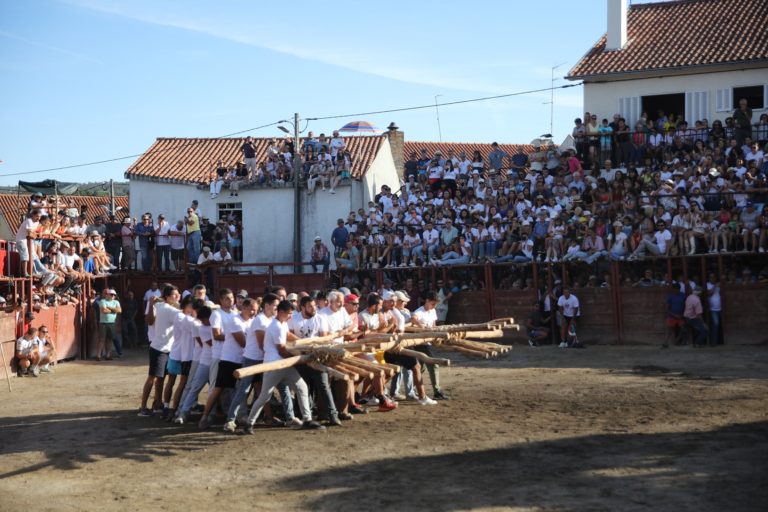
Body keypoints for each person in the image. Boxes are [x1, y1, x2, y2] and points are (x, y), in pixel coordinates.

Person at [243, 300, 326, 433]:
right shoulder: (275, 326)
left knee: (302, 387)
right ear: (281, 312)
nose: (290, 316)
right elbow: (281, 349)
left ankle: (307, 419)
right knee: (265, 396)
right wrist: (300, 357)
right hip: (274, 366)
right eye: (289, 313)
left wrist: (303, 342)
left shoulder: (283, 323)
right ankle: (249, 424)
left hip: (285, 365)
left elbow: (288, 335)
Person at [201, 297, 253, 430]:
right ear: (245, 308)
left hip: (241, 359)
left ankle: (240, 416)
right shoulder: (234, 320)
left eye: (256, 310)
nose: (254, 312)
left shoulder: (251, 321)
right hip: (229, 360)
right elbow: (243, 343)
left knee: (240, 390)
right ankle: (205, 416)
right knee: (218, 389)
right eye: (252, 309)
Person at [139, 284, 180, 416]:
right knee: (153, 377)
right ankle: (143, 407)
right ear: (166, 296)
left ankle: (158, 403)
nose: (177, 296)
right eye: (175, 294)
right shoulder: (163, 307)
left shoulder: (164, 306)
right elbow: (149, 321)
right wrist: (151, 304)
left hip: (167, 347)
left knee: (161, 378)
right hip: (158, 346)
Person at [410, 291, 449, 400]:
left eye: (435, 304)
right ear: (426, 301)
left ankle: (412, 390)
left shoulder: (432, 311)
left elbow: (433, 325)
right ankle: (437, 392)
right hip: (421, 342)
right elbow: (413, 318)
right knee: (433, 365)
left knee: (420, 368)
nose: (434, 306)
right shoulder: (420, 311)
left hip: (428, 342)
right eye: (432, 303)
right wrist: (421, 326)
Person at [96, 288, 121, 361]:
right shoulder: (102, 301)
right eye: (111, 294)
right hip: (103, 323)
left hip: (112, 323)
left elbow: (119, 310)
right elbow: (104, 310)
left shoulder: (116, 302)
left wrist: (109, 308)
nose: (113, 296)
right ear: (108, 295)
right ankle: (98, 355)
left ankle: (108, 355)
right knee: (102, 339)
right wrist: (114, 310)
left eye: (114, 295)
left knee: (110, 339)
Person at [663, 282, 687, 348]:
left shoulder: (683, 295)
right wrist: (674, 315)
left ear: (679, 289)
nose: (676, 290)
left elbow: (686, 306)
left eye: (678, 289)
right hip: (672, 316)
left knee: (683, 329)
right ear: (673, 289)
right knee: (669, 329)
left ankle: (677, 341)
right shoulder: (670, 296)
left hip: (680, 316)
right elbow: (667, 309)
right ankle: (665, 343)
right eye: (675, 289)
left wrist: (682, 314)